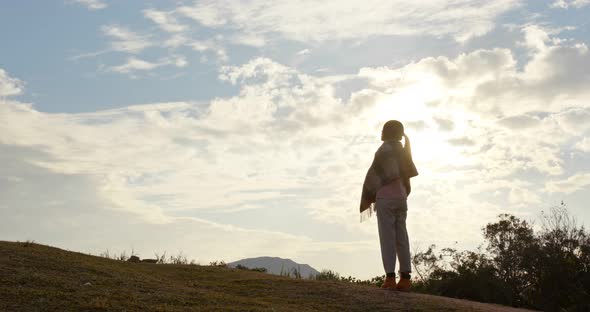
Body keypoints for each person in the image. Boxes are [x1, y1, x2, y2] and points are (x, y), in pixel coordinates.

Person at [359, 120, 418, 291]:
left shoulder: (383, 150)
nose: (381, 133)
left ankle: (390, 278)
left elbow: (374, 176)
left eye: (383, 130)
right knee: (402, 238)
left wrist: (370, 194)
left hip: (385, 199)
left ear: (387, 132)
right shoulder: (403, 150)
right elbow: (406, 177)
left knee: (387, 239)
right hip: (401, 198)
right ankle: (405, 279)